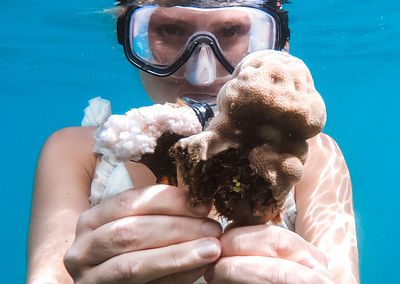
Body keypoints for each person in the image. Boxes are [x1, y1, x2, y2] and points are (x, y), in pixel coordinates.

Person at [27, 0, 360, 283]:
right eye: (170, 30)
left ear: (278, 45)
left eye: (232, 32)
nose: (200, 73)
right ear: (132, 37)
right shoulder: (75, 153)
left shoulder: (316, 157)